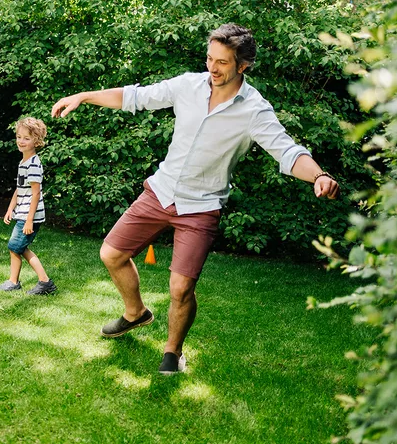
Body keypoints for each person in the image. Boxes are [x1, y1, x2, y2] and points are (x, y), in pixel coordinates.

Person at [50, 24, 340, 375]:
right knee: (111, 254)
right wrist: (83, 96)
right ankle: (135, 313)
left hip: (201, 207)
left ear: (243, 65)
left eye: (222, 62)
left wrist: (319, 176)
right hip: (161, 191)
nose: (212, 68)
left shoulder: (254, 110)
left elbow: (287, 151)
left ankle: (172, 352)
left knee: (181, 287)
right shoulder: (188, 85)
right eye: (209, 58)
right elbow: (135, 97)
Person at [0, 117, 57, 296]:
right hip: (22, 213)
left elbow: (36, 193)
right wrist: (10, 208)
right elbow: (20, 189)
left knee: (16, 247)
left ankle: (45, 282)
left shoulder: (34, 164)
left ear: (36, 141)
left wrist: (29, 220)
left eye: (26, 138)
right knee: (17, 247)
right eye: (19, 137)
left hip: (30, 215)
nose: (21, 141)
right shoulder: (24, 162)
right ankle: (14, 282)